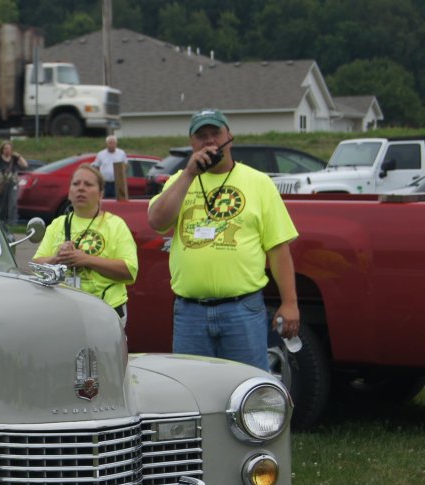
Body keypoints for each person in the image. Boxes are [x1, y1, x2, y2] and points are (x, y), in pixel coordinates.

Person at [147, 109, 300, 371]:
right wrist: (188, 175)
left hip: (242, 310)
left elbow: (277, 248)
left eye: (215, 133)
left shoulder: (259, 183)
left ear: (229, 136)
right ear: (191, 143)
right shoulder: (178, 181)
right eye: (201, 136)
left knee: (246, 385)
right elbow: (157, 222)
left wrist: (290, 303)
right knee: (193, 390)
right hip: (190, 312)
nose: (210, 141)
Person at [33, 163, 137, 323]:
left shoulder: (115, 225)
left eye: (88, 184)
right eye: (76, 184)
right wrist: (57, 258)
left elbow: (129, 271)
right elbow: (36, 267)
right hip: (62, 311)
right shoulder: (57, 225)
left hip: (105, 311)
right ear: (69, 193)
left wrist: (87, 260)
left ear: (101, 194)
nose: (81, 188)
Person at [0, 140, 29, 226]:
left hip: (13, 183)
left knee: (13, 202)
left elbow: (25, 165)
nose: (7, 150)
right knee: (3, 204)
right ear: (2, 149)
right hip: (2, 184)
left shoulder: (14, 158)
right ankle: (2, 222)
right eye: (5, 148)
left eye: (9, 148)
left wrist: (19, 156)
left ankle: (12, 222)